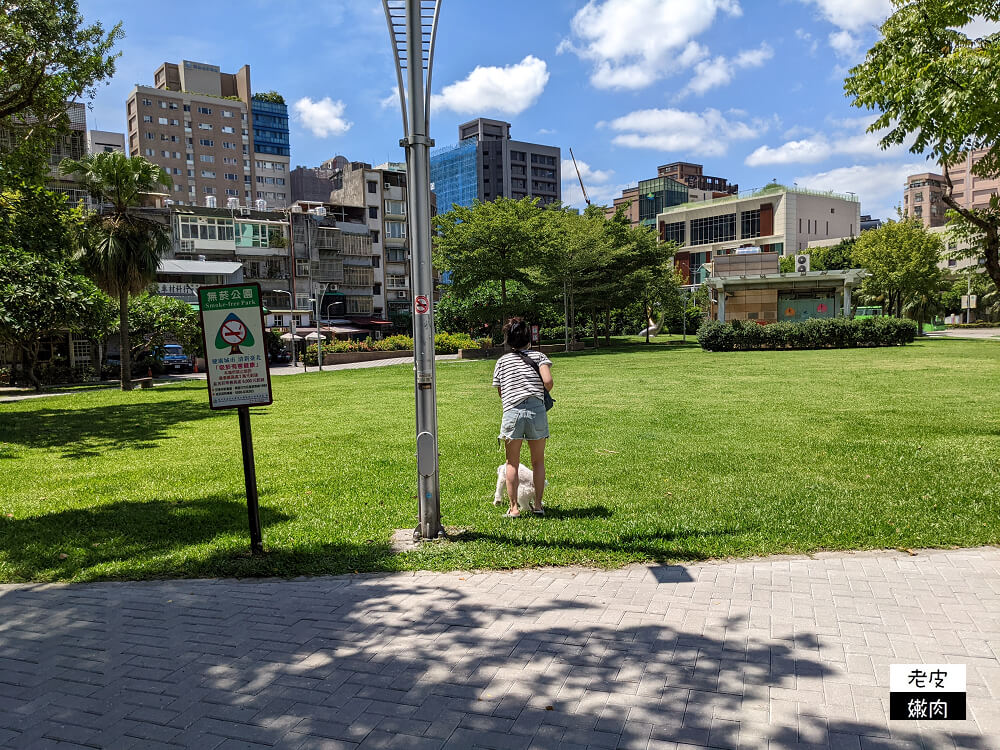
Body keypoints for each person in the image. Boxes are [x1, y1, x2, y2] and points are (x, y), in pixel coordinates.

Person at [492, 317, 553, 517]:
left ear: (508, 340)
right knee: (538, 461)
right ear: (529, 339)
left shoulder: (502, 361)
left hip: (512, 411)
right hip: (536, 410)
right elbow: (548, 382)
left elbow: (501, 391)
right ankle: (537, 506)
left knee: (512, 463)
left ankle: (513, 508)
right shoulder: (539, 357)